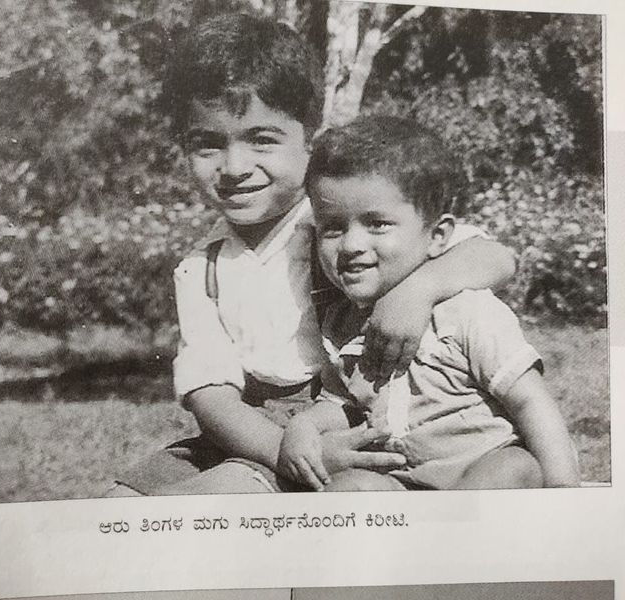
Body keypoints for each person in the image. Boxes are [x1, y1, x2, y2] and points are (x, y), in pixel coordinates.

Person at [106, 14, 517, 497]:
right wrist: (284, 448)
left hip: (344, 417)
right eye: (208, 145)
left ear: (310, 135)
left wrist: (420, 290)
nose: (234, 167)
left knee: (216, 497)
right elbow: (211, 397)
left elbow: (496, 257)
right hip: (251, 434)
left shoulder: (339, 224)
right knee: (119, 506)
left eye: (262, 139)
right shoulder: (202, 268)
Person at [275, 115, 580, 491]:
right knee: (348, 490)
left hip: (480, 470)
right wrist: (303, 425)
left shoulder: (468, 312)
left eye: (377, 224)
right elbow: (344, 404)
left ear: (437, 236)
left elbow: (531, 403)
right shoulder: (342, 323)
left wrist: (566, 495)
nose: (351, 245)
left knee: (512, 467)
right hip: (402, 481)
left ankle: (457, 544)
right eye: (333, 227)